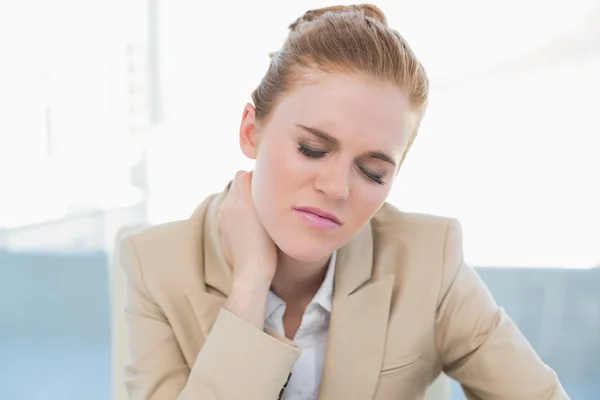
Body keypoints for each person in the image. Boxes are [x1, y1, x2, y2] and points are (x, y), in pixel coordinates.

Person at [119, 4, 569, 399]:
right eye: (312, 149)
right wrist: (250, 285)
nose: (337, 188)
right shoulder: (156, 265)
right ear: (250, 131)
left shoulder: (430, 260)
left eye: (372, 171)